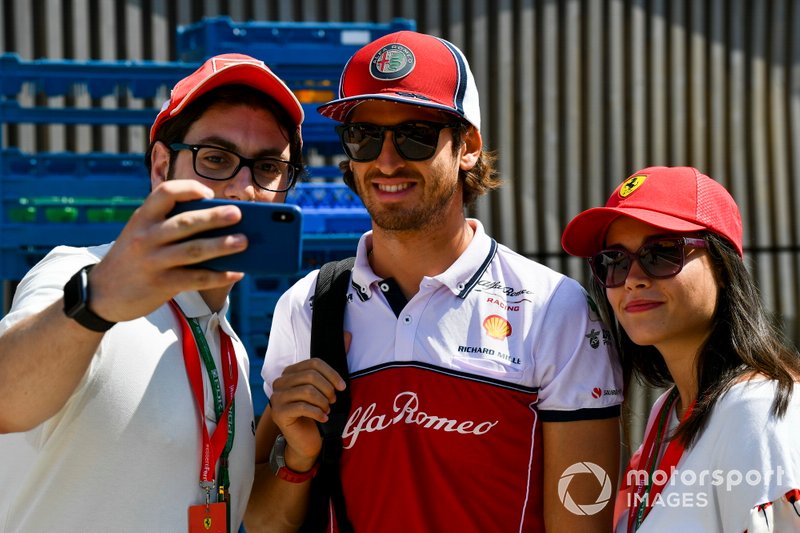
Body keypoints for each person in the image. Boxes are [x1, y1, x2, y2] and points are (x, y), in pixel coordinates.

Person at [246, 31, 622, 532]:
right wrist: (297, 459)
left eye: (414, 135)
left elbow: (582, 518)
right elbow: (267, 523)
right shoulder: (307, 306)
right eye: (364, 137)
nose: (385, 160)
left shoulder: (553, 307)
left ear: (467, 146)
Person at [0, 53, 304, 531]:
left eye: (267, 167)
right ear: (162, 167)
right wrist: (96, 301)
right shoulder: (80, 274)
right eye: (217, 159)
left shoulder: (231, 351)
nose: (245, 188)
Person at [561, 166, 800, 532]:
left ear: (722, 267)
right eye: (615, 261)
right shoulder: (669, 409)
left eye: (661, 253)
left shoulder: (758, 408)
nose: (634, 280)